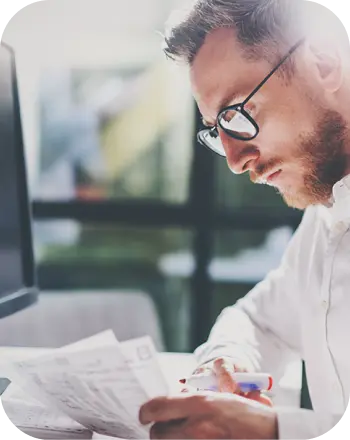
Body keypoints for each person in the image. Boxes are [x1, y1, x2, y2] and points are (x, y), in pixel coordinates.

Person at [139, 0, 347, 438]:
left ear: (326, 61)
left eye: (236, 114)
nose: (233, 160)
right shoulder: (327, 216)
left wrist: (276, 431)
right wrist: (228, 361)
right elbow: (259, 321)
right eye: (217, 129)